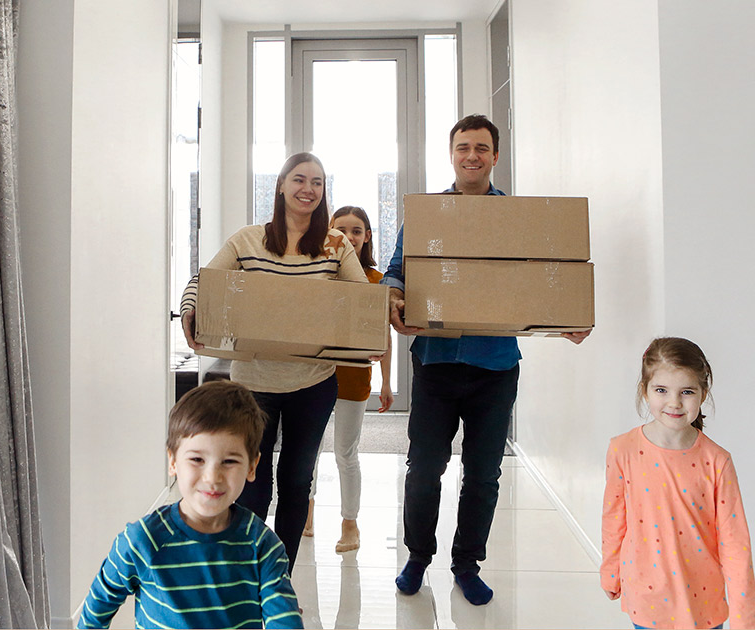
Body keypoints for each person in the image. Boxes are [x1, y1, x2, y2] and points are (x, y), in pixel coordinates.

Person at [384, 114, 591, 605]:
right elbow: (396, 272)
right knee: (424, 466)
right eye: (463, 147)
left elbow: (543, 277)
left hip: (496, 365)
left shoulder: (514, 217)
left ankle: (466, 564)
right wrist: (393, 304)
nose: (471, 155)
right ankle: (417, 557)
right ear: (451, 154)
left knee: (483, 473)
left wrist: (565, 318)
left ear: (495, 156)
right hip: (435, 361)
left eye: (481, 148)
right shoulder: (428, 215)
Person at [180, 152, 368, 574]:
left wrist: (370, 331)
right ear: (281, 185)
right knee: (251, 483)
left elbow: (362, 300)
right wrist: (191, 308)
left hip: (313, 384)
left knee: (298, 481)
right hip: (253, 386)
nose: (308, 189)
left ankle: (279, 576)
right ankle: (248, 574)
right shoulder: (247, 240)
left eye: (317, 182)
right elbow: (203, 281)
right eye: (299, 179)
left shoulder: (335, 245)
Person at [76, 380, 302, 629]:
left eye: (228, 461)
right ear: (173, 461)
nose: (212, 477)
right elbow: (97, 608)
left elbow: (285, 621)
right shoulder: (141, 540)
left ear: (251, 466)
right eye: (196, 459)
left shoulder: (262, 546)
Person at [601, 337, 755, 629]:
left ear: (703, 393)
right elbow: (614, 517)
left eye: (686, 391)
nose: (674, 402)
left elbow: (735, 544)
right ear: (645, 391)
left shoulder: (717, 461)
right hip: (647, 597)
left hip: (703, 602)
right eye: (662, 390)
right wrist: (610, 569)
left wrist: (743, 617)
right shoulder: (622, 449)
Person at [302, 206, 394, 553]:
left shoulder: (376, 280)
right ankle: (306, 513)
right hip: (313, 375)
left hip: (355, 379)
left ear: (367, 236)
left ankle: (349, 523)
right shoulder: (319, 275)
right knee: (308, 450)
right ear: (330, 234)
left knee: (345, 452)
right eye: (342, 230)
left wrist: (385, 383)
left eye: (357, 231)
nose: (350, 237)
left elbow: (382, 337)